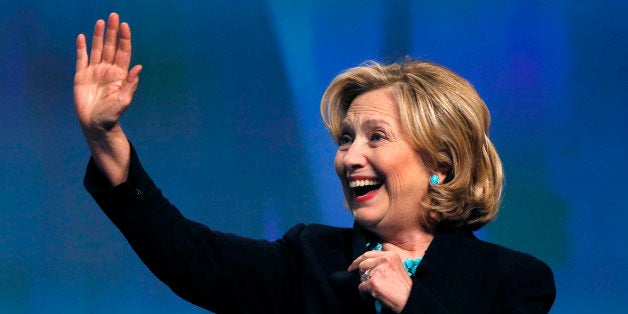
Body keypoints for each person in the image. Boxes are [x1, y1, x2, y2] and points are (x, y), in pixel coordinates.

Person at [75, 13, 556, 313]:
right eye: (346, 139)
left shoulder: (514, 282)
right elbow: (187, 253)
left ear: (443, 166)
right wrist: (106, 138)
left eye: (376, 137)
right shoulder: (310, 260)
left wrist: (409, 302)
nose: (350, 157)